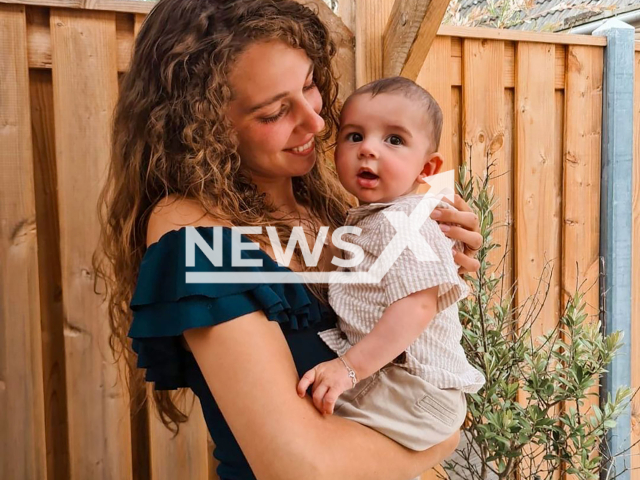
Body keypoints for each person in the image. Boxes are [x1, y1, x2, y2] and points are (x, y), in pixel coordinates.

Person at [94, 1, 483, 479]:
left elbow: (415, 323)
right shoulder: (194, 234)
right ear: (202, 129)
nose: (318, 124)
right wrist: (444, 436)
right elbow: (304, 470)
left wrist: (436, 238)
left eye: (308, 86)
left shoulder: (326, 203)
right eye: (276, 111)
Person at [296, 77, 486, 457]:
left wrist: (348, 368)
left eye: (394, 140)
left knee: (305, 428)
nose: (368, 148)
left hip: (411, 388)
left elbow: (418, 305)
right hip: (403, 387)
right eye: (354, 136)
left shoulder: (404, 220)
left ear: (426, 167)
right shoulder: (375, 218)